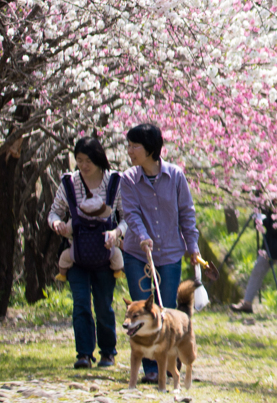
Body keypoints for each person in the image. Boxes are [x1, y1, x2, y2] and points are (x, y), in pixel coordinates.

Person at [121, 123, 200, 385]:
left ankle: (169, 368)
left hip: (169, 254)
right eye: (129, 145)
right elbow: (130, 213)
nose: (130, 150)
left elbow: (187, 213)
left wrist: (192, 247)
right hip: (137, 253)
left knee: (165, 311)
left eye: (135, 146)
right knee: (141, 310)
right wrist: (143, 236)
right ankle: (149, 369)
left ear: (151, 149)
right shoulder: (128, 179)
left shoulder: (175, 176)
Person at [48, 136, 126, 369]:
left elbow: (127, 217)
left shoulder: (114, 182)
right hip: (77, 255)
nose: (83, 165)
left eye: (88, 160)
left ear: (99, 158)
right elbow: (54, 212)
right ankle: (83, 353)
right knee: (81, 304)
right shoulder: (70, 183)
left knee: (103, 305)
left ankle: (107, 351)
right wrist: (56, 225)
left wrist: (116, 233)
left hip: (105, 255)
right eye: (79, 160)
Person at [230, 207, 277, 316]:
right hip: (269, 247)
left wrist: (263, 220)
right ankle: (247, 302)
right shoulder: (269, 203)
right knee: (257, 271)